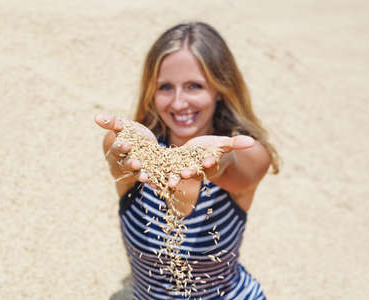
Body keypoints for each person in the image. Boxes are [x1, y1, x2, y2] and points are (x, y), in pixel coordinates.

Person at [95, 22, 279, 300]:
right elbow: (116, 153)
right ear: (151, 92)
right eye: (165, 87)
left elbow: (237, 166)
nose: (179, 103)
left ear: (220, 88)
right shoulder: (137, 155)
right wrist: (133, 148)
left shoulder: (244, 152)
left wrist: (217, 161)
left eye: (194, 86)